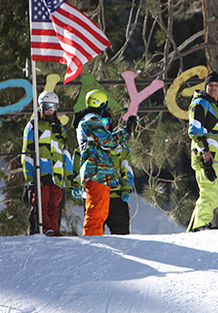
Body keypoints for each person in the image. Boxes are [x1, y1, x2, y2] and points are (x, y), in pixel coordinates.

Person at [74, 89, 136, 236]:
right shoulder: (91, 120)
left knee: (101, 211)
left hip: (101, 172)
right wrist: (126, 130)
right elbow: (107, 140)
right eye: (105, 106)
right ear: (100, 104)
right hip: (96, 171)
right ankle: (92, 241)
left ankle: (96, 239)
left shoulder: (88, 120)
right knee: (96, 212)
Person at [21, 91, 74, 236]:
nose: (50, 110)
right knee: (41, 203)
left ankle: (54, 230)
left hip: (57, 173)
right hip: (41, 171)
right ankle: (46, 229)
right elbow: (26, 154)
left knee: (54, 205)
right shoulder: (33, 125)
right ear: (40, 106)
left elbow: (65, 153)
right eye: (47, 106)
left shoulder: (58, 127)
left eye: (54, 107)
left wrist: (68, 178)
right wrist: (30, 180)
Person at [187, 71, 218, 232]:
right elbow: (194, 130)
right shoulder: (200, 103)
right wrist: (205, 152)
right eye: (210, 85)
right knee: (208, 192)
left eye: (216, 85)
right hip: (206, 156)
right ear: (206, 87)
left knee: (215, 196)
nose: (213, 88)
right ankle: (201, 226)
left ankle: (195, 227)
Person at [103, 114, 135, 235]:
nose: (103, 126)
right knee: (94, 233)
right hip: (97, 196)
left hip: (116, 196)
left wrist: (127, 189)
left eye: (105, 121)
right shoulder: (88, 143)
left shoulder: (119, 145)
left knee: (121, 233)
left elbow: (126, 168)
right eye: (99, 122)